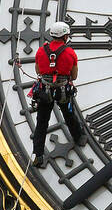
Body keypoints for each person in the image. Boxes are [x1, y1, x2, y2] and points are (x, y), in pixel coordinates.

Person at [30, 21, 83, 167]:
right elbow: (74, 76)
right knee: (69, 115)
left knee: (41, 123)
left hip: (44, 92)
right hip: (62, 91)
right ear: (65, 36)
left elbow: (38, 71)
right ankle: (78, 137)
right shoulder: (70, 53)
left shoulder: (41, 51)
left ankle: (38, 155)